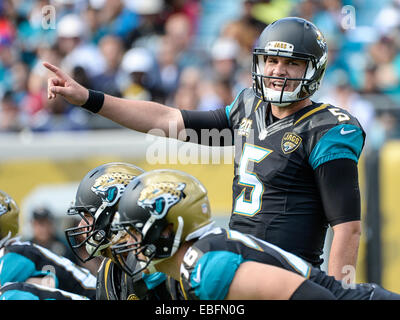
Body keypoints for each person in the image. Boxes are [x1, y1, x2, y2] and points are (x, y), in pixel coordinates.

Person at [44, 17, 365, 279]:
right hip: (239, 268)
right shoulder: (247, 107)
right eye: (271, 60)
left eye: (291, 64)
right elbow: (167, 118)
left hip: (291, 276)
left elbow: (347, 230)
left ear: (313, 69)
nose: (278, 71)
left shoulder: (327, 128)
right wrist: (89, 98)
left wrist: (338, 292)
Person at [110, 169, 399, 300]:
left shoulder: (207, 267)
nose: (128, 243)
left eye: (135, 231)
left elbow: (316, 298)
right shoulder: (196, 266)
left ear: (168, 228)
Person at [65, 162, 180, 300]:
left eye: (88, 216)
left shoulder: (155, 262)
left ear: (115, 214)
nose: (80, 225)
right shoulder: (108, 269)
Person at [0, 190, 96, 300]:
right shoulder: (19, 249)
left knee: (10, 294)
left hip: (94, 295)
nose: (42, 228)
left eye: (45, 223)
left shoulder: (14, 253)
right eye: (39, 223)